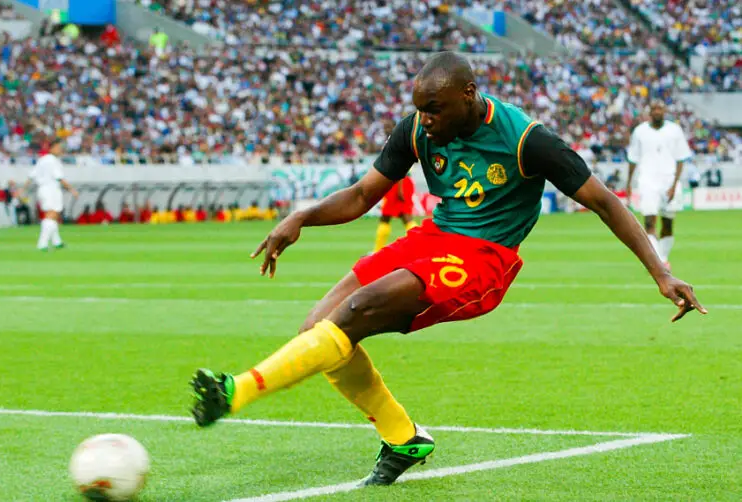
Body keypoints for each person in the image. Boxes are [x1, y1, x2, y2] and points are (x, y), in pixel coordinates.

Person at [191, 53, 706, 487]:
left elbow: (606, 201)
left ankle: (236, 391)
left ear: (469, 93)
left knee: (356, 310)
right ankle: (403, 438)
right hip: (432, 239)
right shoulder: (418, 127)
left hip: (484, 258)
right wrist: (301, 217)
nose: (425, 120)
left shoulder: (528, 139)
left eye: (434, 109)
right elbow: (362, 195)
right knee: (317, 329)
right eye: (419, 110)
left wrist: (661, 273)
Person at [626, 100, 693, 270]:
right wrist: (628, 183)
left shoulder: (674, 130)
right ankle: (659, 263)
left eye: (660, 109)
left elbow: (680, 159)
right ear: (649, 112)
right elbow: (633, 159)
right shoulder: (640, 132)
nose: (657, 112)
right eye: (654, 109)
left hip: (669, 180)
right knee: (649, 221)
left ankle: (663, 258)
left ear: (664, 111)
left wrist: (674, 184)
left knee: (668, 223)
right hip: (647, 180)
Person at [21, 138, 78, 250]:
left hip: (42, 189)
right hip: (50, 189)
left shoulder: (42, 160)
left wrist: (23, 189)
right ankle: (42, 243)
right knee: (52, 214)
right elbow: (59, 177)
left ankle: (57, 242)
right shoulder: (52, 160)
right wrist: (72, 190)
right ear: (52, 147)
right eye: (58, 148)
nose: (60, 150)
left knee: (53, 215)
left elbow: (31, 176)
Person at [374, 175, 417, 252]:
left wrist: (399, 189)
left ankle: (377, 251)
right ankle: (419, 247)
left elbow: (401, 169)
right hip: (401, 182)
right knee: (406, 217)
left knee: (386, 218)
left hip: (397, 183)